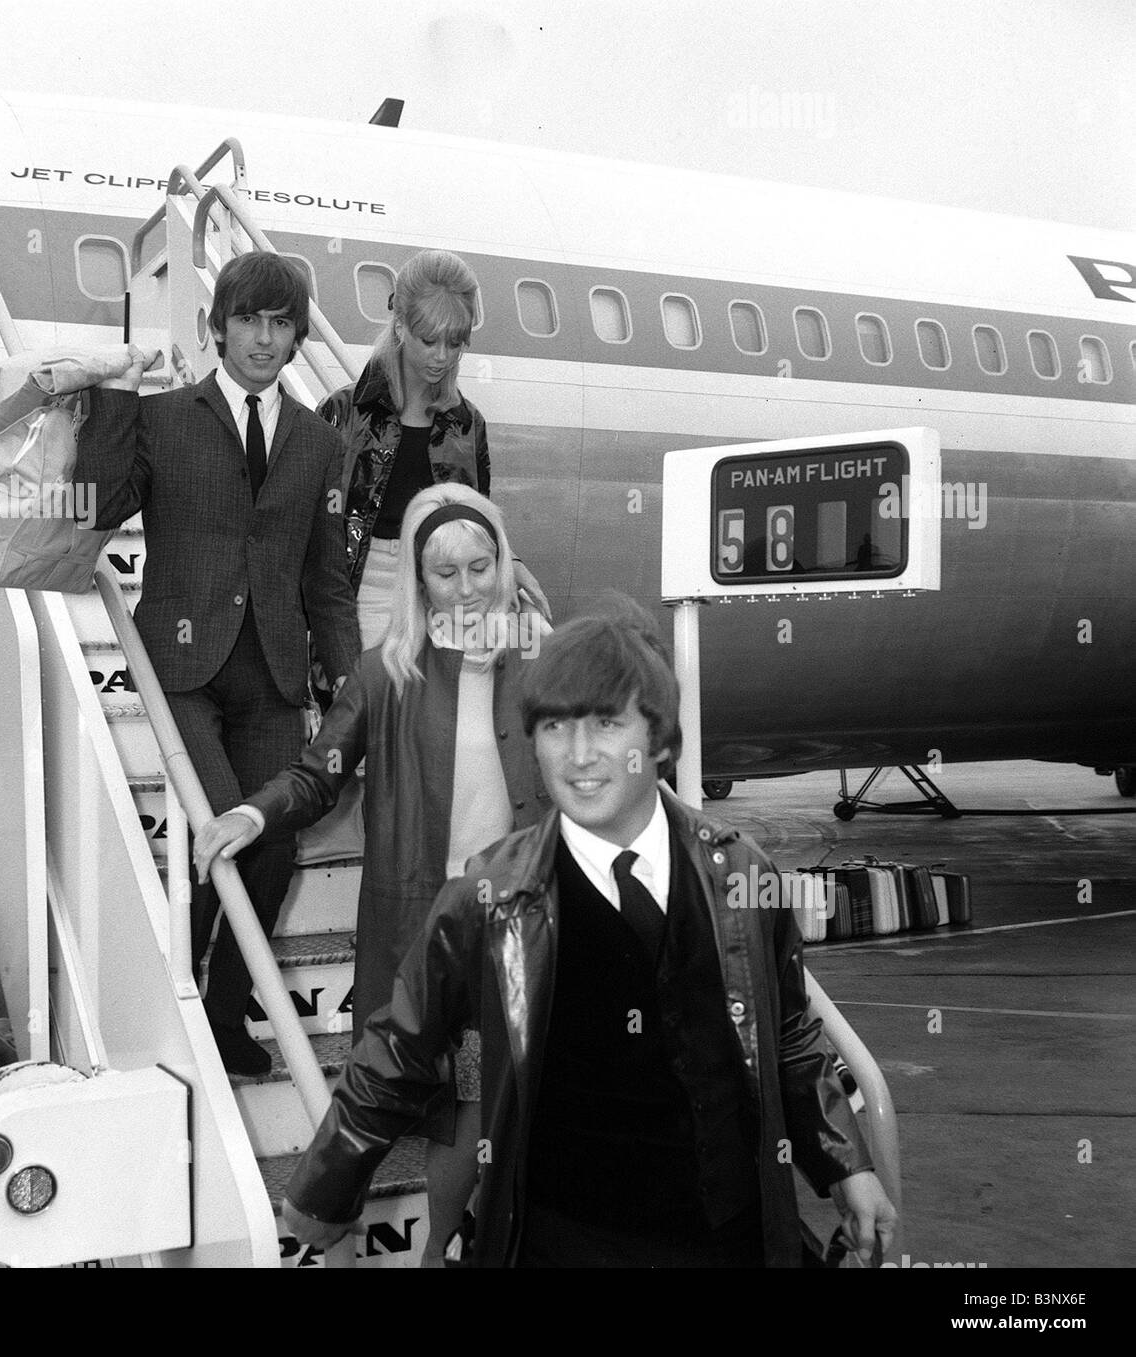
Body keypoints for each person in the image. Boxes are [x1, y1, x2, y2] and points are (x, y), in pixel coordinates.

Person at [274, 597, 898, 1267]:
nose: (578, 755)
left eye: (606, 723)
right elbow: (397, 1051)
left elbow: (790, 1036)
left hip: (728, 1234)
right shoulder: (489, 895)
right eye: (554, 726)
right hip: (561, 1239)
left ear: (658, 739)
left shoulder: (742, 873)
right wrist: (322, 1191)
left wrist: (846, 1162)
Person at [193, 483, 549, 1264]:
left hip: (528, 918)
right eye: (444, 573)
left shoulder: (547, 662)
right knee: (444, 1103)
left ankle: (463, 1247)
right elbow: (319, 772)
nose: (465, 587)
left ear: (504, 564)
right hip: (435, 927)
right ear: (420, 584)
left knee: (502, 1099)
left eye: (480, 566)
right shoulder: (390, 673)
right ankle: (415, 1247)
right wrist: (252, 814)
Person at [73, 251, 359, 1077]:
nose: (264, 340)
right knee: (226, 828)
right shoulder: (164, 419)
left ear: (298, 336)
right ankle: (180, 1007)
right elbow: (95, 505)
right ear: (216, 327)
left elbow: (326, 585)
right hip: (184, 669)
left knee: (275, 842)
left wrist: (355, 687)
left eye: (280, 325)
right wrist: (117, 396)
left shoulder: (315, 440)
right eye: (248, 321)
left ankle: (225, 1011)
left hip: (271, 673)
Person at [318, 248, 550, 647]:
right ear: (399, 325)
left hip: (448, 593)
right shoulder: (343, 411)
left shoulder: (467, 423)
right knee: (380, 701)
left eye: (455, 342)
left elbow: (476, 520)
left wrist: (509, 562)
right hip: (364, 589)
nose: (441, 357)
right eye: (429, 340)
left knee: (483, 679)